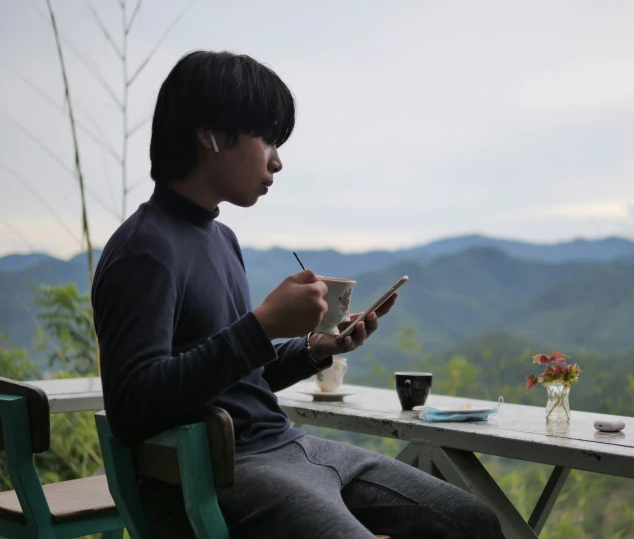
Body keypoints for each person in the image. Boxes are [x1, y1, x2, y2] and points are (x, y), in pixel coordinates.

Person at [91, 50, 503, 539]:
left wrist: (314, 349)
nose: (277, 161)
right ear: (211, 134)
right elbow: (132, 408)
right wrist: (262, 325)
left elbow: (237, 379)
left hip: (291, 447)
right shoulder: (144, 250)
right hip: (223, 473)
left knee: (472, 522)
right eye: (267, 138)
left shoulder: (221, 240)